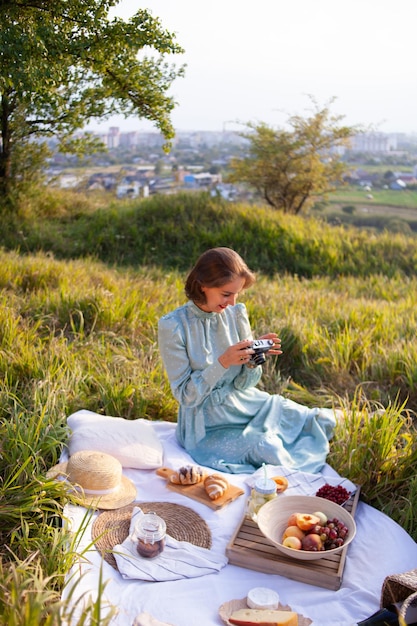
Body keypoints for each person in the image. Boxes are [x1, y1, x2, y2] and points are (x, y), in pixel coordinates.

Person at [158, 247, 337, 474]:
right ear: (203, 284)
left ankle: (365, 418)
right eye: (226, 294)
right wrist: (223, 362)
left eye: (237, 294)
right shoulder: (173, 326)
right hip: (206, 427)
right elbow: (185, 396)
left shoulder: (236, 313)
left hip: (245, 403)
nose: (232, 302)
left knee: (310, 418)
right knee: (269, 449)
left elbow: (244, 384)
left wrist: (254, 358)